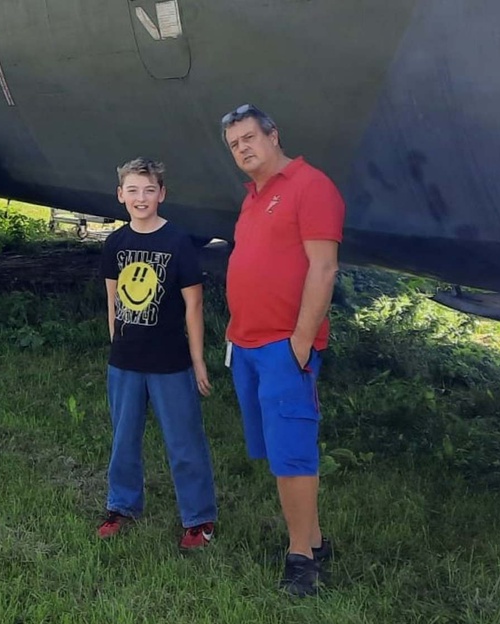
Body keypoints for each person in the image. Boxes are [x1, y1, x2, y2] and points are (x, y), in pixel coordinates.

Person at [220, 105, 344, 597]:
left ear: (274, 135)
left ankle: (300, 561)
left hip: (282, 347)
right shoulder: (254, 197)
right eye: (234, 144)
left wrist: (299, 341)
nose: (243, 149)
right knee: (274, 449)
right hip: (247, 343)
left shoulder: (310, 187)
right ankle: (312, 541)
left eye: (250, 137)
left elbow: (324, 268)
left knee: (293, 452)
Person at [97, 157, 217, 550]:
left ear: (162, 194)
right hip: (126, 363)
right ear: (120, 195)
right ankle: (122, 506)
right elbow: (113, 300)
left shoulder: (178, 242)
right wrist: (118, 345)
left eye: (149, 190)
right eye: (132, 190)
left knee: (184, 442)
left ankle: (199, 519)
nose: (141, 197)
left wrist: (198, 360)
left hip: (170, 362)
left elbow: (193, 306)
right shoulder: (115, 243)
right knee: (124, 439)